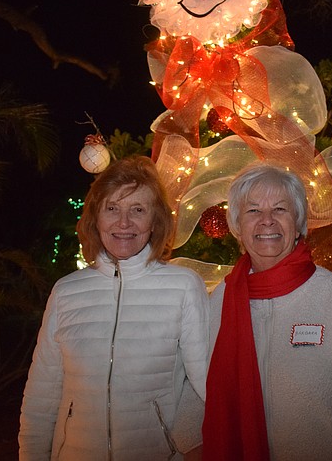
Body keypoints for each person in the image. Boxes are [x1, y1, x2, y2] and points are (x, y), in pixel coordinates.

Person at [178, 163, 332, 461]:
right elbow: (198, 383)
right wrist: (191, 443)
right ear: (238, 228)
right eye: (253, 211)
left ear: (298, 224)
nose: (267, 221)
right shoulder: (222, 298)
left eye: (280, 209)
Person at [18, 156, 209, 460]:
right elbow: (42, 396)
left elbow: (209, 385)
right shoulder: (66, 291)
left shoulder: (184, 286)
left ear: (154, 220)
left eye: (137, 210)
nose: (124, 223)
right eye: (112, 209)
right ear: (95, 218)